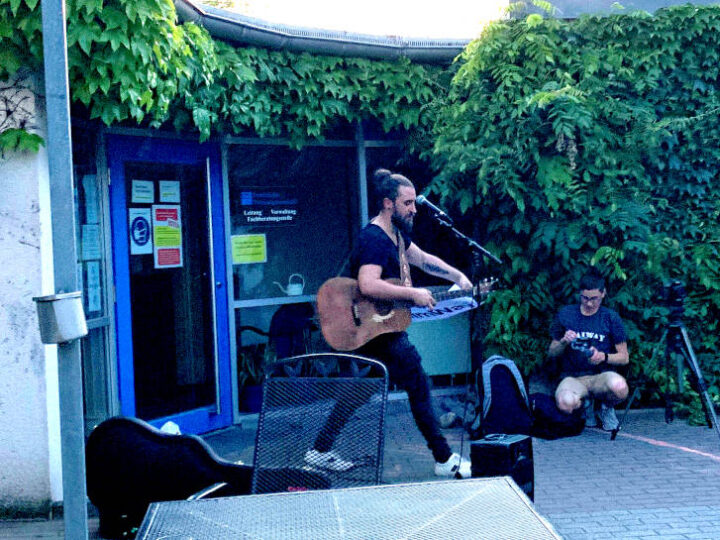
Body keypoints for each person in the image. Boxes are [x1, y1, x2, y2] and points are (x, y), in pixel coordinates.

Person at [305, 168, 474, 478]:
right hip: (376, 327)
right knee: (418, 382)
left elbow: (421, 259)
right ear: (388, 203)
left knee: (361, 389)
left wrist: (457, 276)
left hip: (374, 326)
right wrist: (412, 293)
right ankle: (444, 458)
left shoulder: (395, 234)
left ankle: (319, 450)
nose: (413, 209)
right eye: (407, 203)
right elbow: (368, 284)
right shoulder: (374, 238)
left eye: (413, 203)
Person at [548, 270, 630, 431]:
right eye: (585, 298)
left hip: (600, 376)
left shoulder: (610, 317)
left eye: (594, 299)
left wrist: (603, 357)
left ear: (603, 293)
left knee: (620, 387)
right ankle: (586, 407)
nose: (590, 303)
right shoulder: (566, 314)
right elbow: (551, 352)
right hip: (573, 377)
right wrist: (564, 341)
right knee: (565, 403)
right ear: (580, 294)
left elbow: (624, 357)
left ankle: (605, 408)